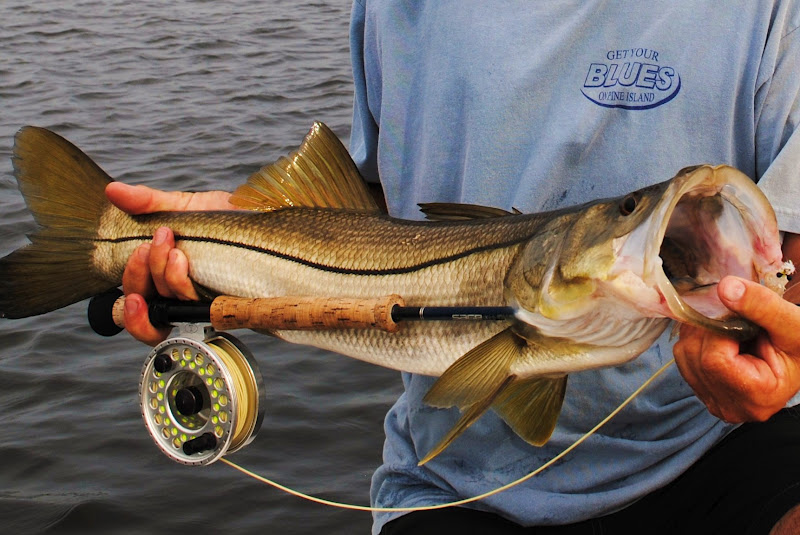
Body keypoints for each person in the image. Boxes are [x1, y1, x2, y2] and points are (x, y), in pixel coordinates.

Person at [106, 1, 800, 533]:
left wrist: (783, 341)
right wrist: (238, 242)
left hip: (719, 449)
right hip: (453, 484)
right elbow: (379, 198)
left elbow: (788, 243)